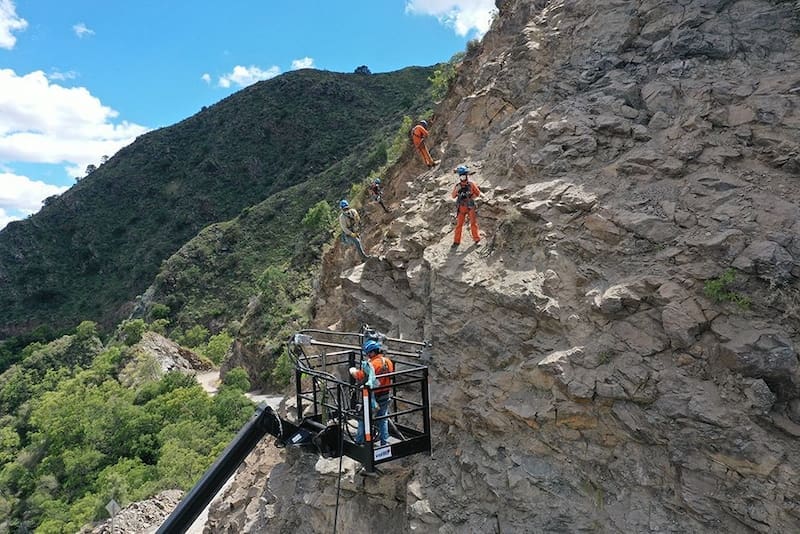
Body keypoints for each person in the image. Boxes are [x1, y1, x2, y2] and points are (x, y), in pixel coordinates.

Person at [350, 339, 394, 446]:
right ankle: (385, 441)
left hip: (373, 396)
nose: (367, 356)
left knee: (363, 417)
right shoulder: (388, 361)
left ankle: (359, 440)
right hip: (385, 393)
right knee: (383, 418)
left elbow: (360, 376)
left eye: (368, 353)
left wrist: (353, 371)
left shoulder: (373, 364)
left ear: (372, 352)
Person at [451, 165, 481, 247]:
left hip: (470, 206)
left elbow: (478, 193)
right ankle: (456, 241)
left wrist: (471, 196)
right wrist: (457, 190)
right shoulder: (458, 186)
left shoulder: (471, 184)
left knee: (473, 223)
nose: (462, 177)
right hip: (461, 207)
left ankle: (477, 239)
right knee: (459, 225)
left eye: (464, 175)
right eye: (461, 176)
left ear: (467, 176)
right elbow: (453, 196)